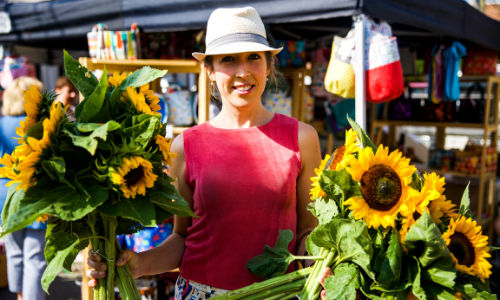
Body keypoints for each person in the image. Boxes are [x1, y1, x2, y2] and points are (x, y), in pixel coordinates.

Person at [87, 7, 332, 299]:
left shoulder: (301, 138)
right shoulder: (184, 147)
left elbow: (308, 230)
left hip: (279, 294)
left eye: (254, 56)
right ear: (210, 72)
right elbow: (182, 239)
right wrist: (138, 263)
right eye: (228, 59)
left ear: (268, 65)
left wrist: (322, 266)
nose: (243, 71)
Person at [0, 76, 48, 300]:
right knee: (35, 256)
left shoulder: (1, 124)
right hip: (36, 194)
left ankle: (19, 295)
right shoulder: (41, 126)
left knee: (14, 252)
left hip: (4, 197)